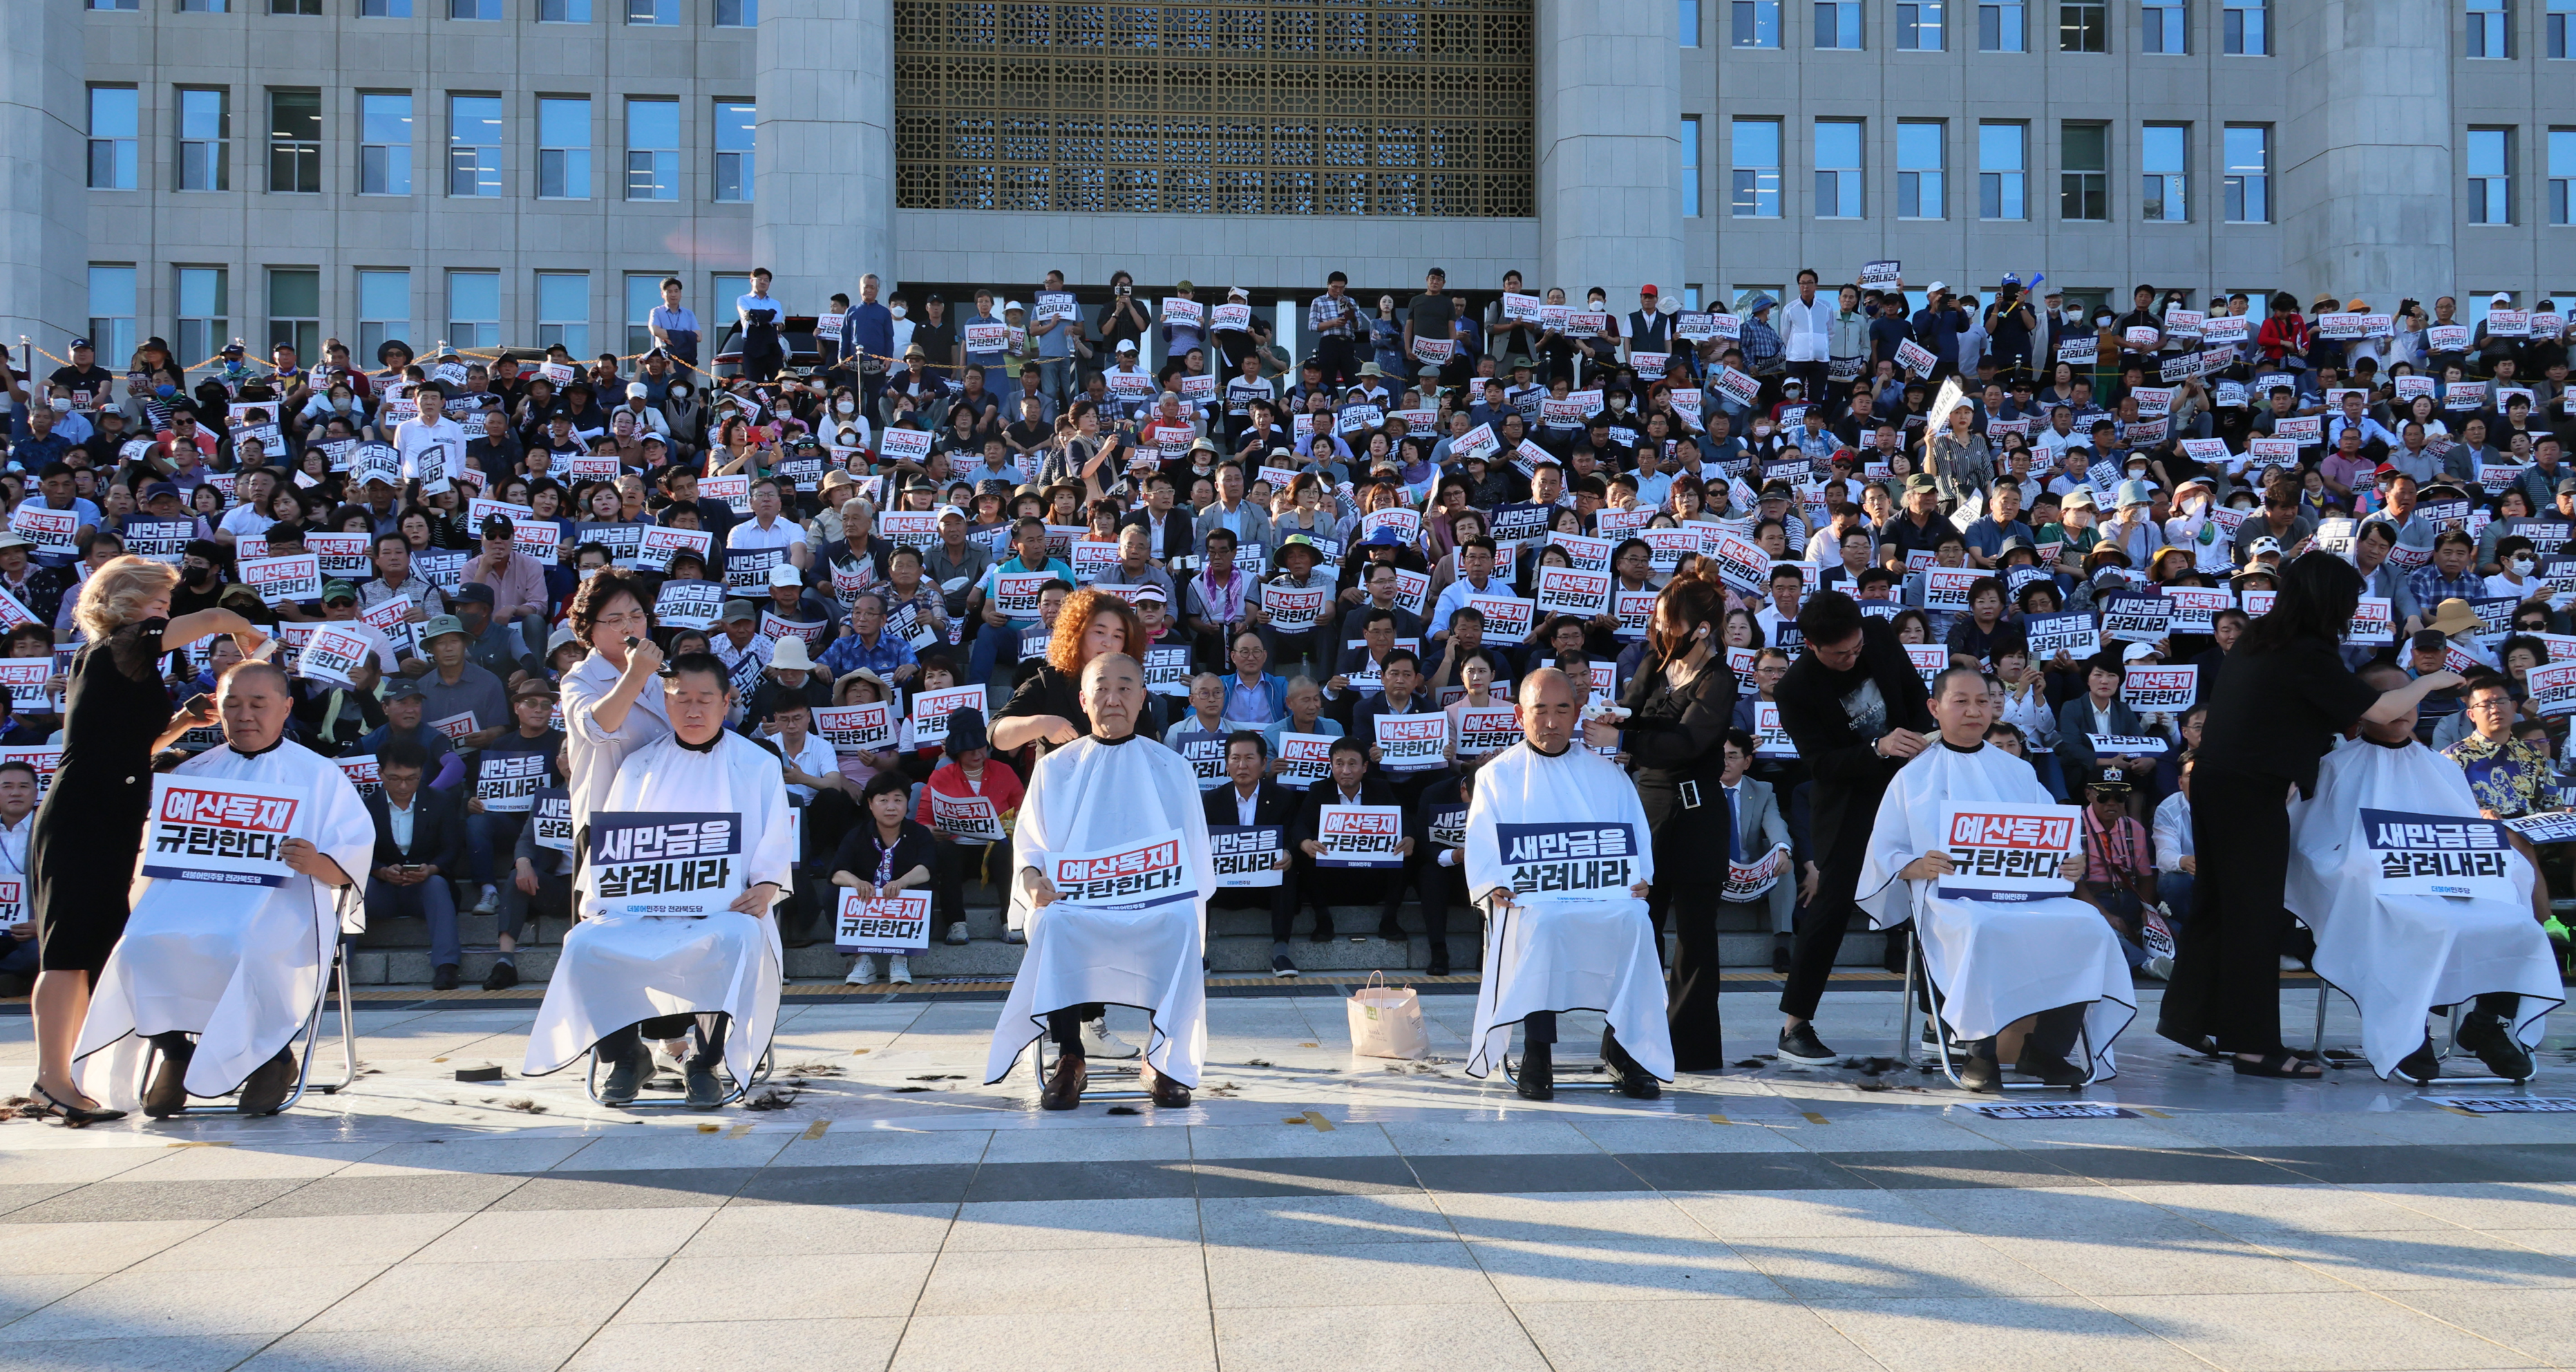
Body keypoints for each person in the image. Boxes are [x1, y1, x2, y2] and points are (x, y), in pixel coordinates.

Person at [2159, 553, 2466, 1077]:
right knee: (2255, 917)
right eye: (2347, 601)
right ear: (2328, 601)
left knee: (2219, 907)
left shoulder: (2262, 639)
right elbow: (2382, 711)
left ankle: (2191, 1018)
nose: (2350, 612)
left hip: (2220, 782)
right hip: (2250, 792)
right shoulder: (2304, 651)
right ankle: (2255, 1047)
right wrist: (2430, 684)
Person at [71, 663, 373, 1117]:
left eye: (258, 703)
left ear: (286, 707)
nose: (245, 714)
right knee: (137, 947)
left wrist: (318, 862)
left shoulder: (319, 774)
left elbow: (352, 860)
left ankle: (273, 1057)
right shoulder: (193, 772)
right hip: (190, 898)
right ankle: (175, 1051)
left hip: (281, 904)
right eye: (233, 703)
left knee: (237, 945)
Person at [27, 556, 268, 1124]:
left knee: (89, 952)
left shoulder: (117, 659)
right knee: (67, 953)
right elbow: (213, 615)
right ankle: (49, 1078)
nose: (167, 609)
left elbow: (127, 746)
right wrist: (252, 638)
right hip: (84, 816)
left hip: (107, 815)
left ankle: (62, 1075)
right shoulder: (125, 642)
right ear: (126, 600)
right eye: (160, 600)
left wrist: (182, 725)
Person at [523, 652, 794, 1109]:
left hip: (723, 909)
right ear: (664, 705)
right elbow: (615, 849)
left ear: (725, 703)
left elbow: (774, 840)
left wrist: (767, 886)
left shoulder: (758, 763)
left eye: (705, 699)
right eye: (680, 698)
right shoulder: (638, 765)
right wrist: (604, 899)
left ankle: (705, 1061)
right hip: (643, 908)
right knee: (584, 941)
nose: (692, 709)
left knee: (737, 938)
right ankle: (626, 1056)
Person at [1855, 667, 2137, 1091]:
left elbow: (2056, 838)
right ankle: (1980, 1050)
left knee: (2088, 923)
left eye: (1983, 702)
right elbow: (1884, 852)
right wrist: (1918, 865)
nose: (1974, 710)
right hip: (1950, 897)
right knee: (1981, 927)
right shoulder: (1912, 777)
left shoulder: (2019, 771)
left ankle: (2046, 1049)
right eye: (1961, 701)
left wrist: (2072, 861)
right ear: (1935, 708)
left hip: (2026, 893)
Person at [2285, 661, 2560, 1084]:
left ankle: (2486, 1022)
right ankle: (2412, 1031)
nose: (2404, 707)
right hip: (2382, 895)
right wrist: (2364, 865)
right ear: (2363, 708)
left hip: (2452, 887)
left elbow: (2465, 833)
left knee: (2518, 923)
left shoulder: (2443, 767)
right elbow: (2314, 847)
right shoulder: (2334, 768)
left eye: (2411, 695)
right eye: (2388, 698)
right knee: (2424, 927)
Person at [982, 652, 1215, 1111]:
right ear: (1084, 701)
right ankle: (1070, 1056)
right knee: (1053, 923)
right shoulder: (1054, 768)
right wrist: (1032, 882)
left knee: (1180, 919)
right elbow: (1028, 847)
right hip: (1077, 902)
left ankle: (1162, 1057)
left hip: (1151, 902)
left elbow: (1195, 858)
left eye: (1126, 687)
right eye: (1102, 688)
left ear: (1143, 696)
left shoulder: (1172, 767)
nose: (1114, 698)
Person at [1466, 667, 1665, 1100]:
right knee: (1546, 921)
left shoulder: (1607, 775)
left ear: (1578, 713)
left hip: (1597, 897)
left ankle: (1623, 1046)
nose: (1552, 722)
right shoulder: (1498, 776)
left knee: (1635, 919)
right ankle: (1538, 1049)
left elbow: (1633, 838)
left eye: (1562, 709)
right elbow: (1484, 848)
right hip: (1532, 902)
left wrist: (1640, 876)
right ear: (1520, 714)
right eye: (1541, 710)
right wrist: (1493, 884)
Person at [1768, 590, 1935, 1066]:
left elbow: (1915, 697)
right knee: (1831, 909)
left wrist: (1926, 738)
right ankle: (1794, 1025)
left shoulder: (1880, 636)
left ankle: (1935, 1019)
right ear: (1811, 645)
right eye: (1840, 654)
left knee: (1930, 899)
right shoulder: (1794, 687)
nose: (1851, 658)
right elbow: (1819, 763)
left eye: (1856, 649)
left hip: (1910, 789)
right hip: (1848, 804)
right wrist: (1879, 748)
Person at [1607, 570, 1737, 1071]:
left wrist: (1625, 740)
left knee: (1695, 938)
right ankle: (1627, 1041)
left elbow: (1689, 742)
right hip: (1645, 808)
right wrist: (1610, 720)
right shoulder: (1656, 663)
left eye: (1671, 623)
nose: (1662, 632)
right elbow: (1630, 712)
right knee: (1641, 927)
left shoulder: (1719, 679)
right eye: (1659, 622)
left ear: (1702, 628)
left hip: (1697, 811)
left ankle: (1691, 1048)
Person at [363, 739, 470, 990]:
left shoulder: (440, 802)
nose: (403, 786)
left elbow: (451, 848)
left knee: (436, 884)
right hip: (383, 888)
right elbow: (359, 852)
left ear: (421, 773)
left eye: (411, 779)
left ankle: (447, 966)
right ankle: (338, 965)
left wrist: (431, 869)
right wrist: (381, 871)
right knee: (359, 887)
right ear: (380, 774)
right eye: (394, 778)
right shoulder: (366, 807)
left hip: (424, 887)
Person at [914, 708, 1023, 950]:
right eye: (969, 747)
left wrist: (1009, 825)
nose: (977, 752)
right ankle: (956, 923)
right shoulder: (941, 777)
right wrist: (930, 830)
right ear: (956, 749)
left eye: (981, 746)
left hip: (995, 852)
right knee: (946, 851)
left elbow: (1025, 812)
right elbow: (922, 819)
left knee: (1005, 849)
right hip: (957, 853)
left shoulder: (1004, 772)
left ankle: (1011, 921)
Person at [1201, 730, 1304, 977]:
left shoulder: (1283, 798)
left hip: (1267, 887)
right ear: (1227, 764)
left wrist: (1289, 853)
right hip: (1224, 887)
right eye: (1235, 759)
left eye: (1249, 758)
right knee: (1198, 873)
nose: (1242, 765)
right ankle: (1200, 954)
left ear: (1264, 763)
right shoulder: (1212, 800)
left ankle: (1281, 950)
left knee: (1287, 871)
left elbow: (1293, 837)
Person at [832, 770, 936, 987]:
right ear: (870, 804)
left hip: (900, 898)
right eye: (883, 800)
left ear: (907, 803)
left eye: (898, 800)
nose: (891, 807)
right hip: (867, 900)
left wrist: (902, 882)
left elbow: (926, 869)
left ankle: (900, 959)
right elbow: (836, 872)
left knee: (923, 890)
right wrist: (856, 882)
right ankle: (862, 960)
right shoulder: (857, 834)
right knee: (834, 894)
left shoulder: (919, 833)